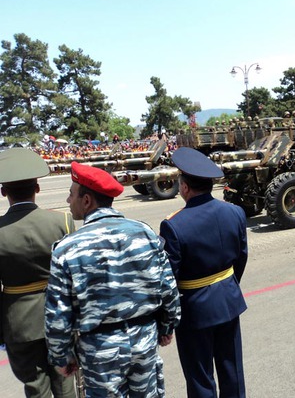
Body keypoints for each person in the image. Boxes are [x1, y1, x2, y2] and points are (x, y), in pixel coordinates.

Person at [44, 162, 181, 397]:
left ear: (87, 201)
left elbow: (58, 314)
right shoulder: (145, 233)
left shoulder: (67, 249)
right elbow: (168, 288)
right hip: (144, 338)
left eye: (71, 194)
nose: (68, 201)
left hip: (99, 349)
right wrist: (167, 326)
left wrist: (61, 355)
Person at [159, 147, 248, 398]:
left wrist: (166, 320)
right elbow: (241, 257)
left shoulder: (173, 224)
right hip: (229, 302)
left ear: (185, 187)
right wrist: (226, 287)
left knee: (200, 379)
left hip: (194, 311)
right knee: (233, 372)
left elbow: (168, 280)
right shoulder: (235, 212)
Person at [0, 148, 76, 398]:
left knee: (35, 387)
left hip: (18, 320)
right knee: (66, 385)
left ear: (3, 192)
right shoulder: (62, 222)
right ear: (38, 188)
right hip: (61, 316)